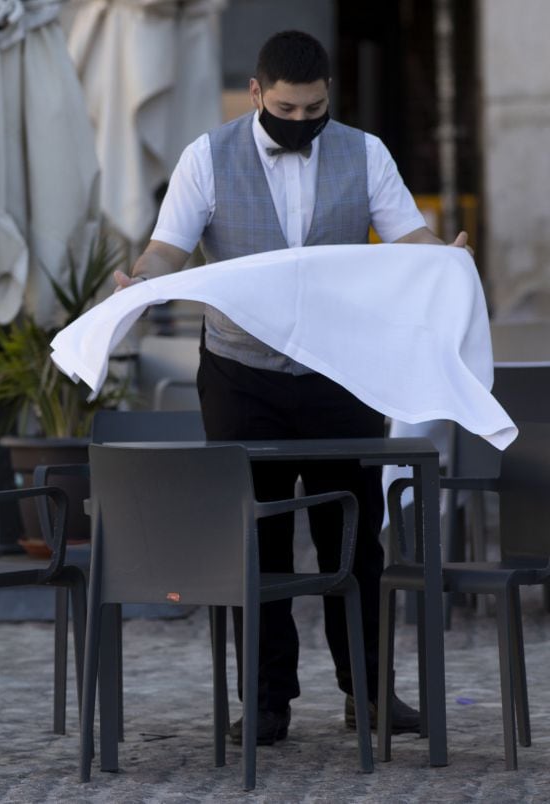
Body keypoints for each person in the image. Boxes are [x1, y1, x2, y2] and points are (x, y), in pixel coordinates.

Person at [114, 30, 471, 746]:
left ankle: (368, 694)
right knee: (258, 538)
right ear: (255, 92)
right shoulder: (205, 158)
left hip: (342, 372)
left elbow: (408, 237)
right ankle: (268, 702)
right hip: (241, 377)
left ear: (328, 96)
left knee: (354, 537)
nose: (301, 121)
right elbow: (168, 248)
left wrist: (446, 261)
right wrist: (139, 279)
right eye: (286, 107)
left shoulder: (365, 152)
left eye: (313, 109)